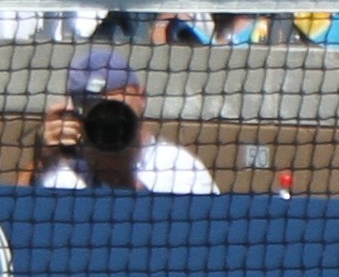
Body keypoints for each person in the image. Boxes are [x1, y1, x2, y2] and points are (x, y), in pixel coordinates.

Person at [32, 48, 221, 193]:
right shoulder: (67, 169)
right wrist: (40, 160)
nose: (109, 117)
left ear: (141, 97)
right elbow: (14, 231)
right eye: (96, 107)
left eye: (115, 104)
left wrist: (119, 174)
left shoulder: (178, 167)